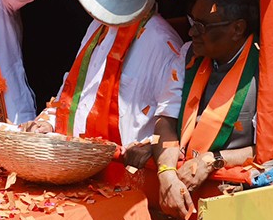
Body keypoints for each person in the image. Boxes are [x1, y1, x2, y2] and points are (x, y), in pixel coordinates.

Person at [153, 0, 273, 220]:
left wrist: (213, 160)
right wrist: (167, 173)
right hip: (180, 187)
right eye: (192, 22)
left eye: (201, 26)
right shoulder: (188, 54)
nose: (191, 32)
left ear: (237, 29)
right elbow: (165, 120)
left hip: (238, 204)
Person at [21, 11, 184, 170]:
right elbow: (74, 93)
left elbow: (172, 118)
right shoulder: (97, 26)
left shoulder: (161, 40)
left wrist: (152, 146)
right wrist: (49, 122)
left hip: (123, 173)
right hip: (71, 166)